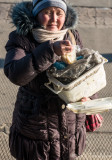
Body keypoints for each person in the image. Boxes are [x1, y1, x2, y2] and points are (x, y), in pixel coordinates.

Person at [4, 0, 97, 160]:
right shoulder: (22, 38)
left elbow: (85, 72)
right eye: (47, 12)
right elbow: (16, 74)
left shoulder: (71, 35)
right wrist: (50, 50)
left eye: (59, 13)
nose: (54, 18)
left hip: (70, 126)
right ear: (36, 14)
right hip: (37, 129)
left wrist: (90, 100)